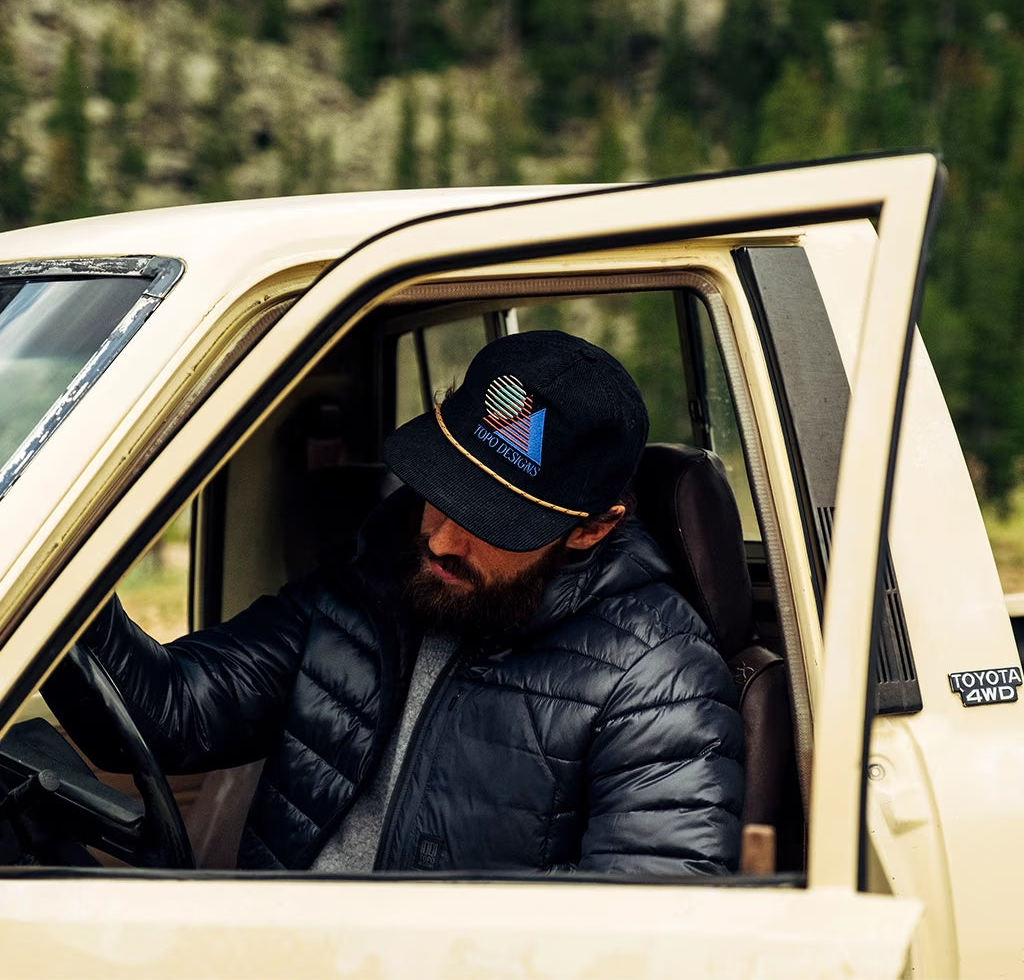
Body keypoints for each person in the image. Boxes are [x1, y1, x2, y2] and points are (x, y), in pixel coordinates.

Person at [46, 330, 744, 874]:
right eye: (443, 490)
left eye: (491, 520)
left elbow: (646, 929)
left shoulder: (658, 680)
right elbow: (169, 712)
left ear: (591, 528)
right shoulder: (375, 585)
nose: (440, 538)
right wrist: (52, 560)